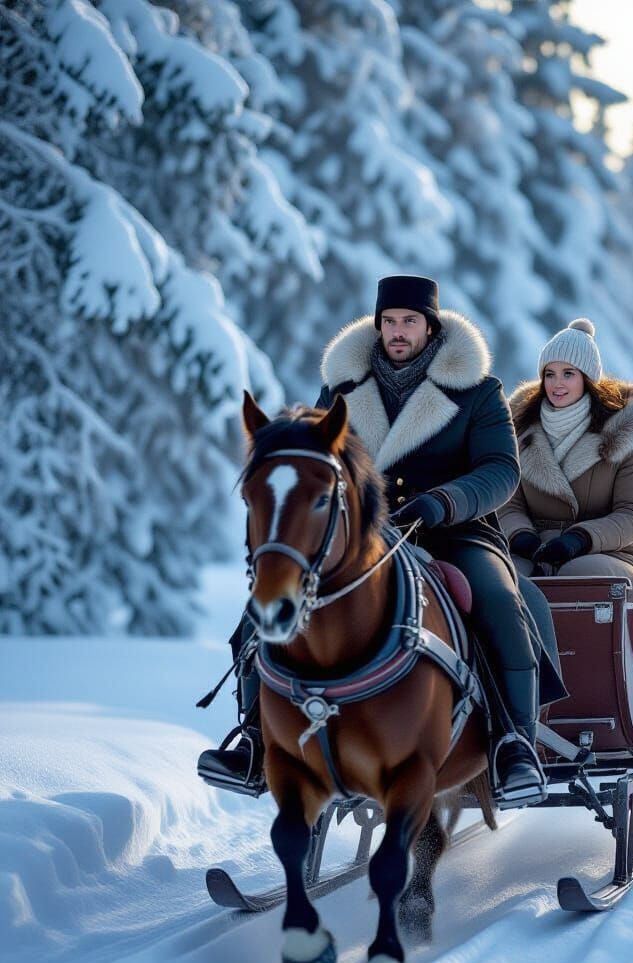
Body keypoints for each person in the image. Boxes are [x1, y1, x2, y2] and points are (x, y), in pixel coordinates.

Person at [199, 275, 548, 807]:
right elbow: (317, 463)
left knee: (500, 601)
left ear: (431, 327)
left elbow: (501, 471)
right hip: (363, 538)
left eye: (410, 321)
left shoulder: (478, 392)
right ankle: (253, 740)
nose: (398, 332)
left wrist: (444, 501)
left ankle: (513, 744)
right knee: (259, 612)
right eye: (389, 322)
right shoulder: (341, 390)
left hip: (454, 532)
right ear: (377, 324)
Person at [499, 318, 633, 599]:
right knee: (502, 577)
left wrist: (580, 538)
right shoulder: (520, 429)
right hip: (533, 548)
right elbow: (507, 504)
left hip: (608, 551)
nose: (556, 384)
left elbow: (632, 514)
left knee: (577, 576)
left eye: (568, 374)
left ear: (587, 378)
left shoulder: (622, 435)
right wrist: (522, 537)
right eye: (549, 374)